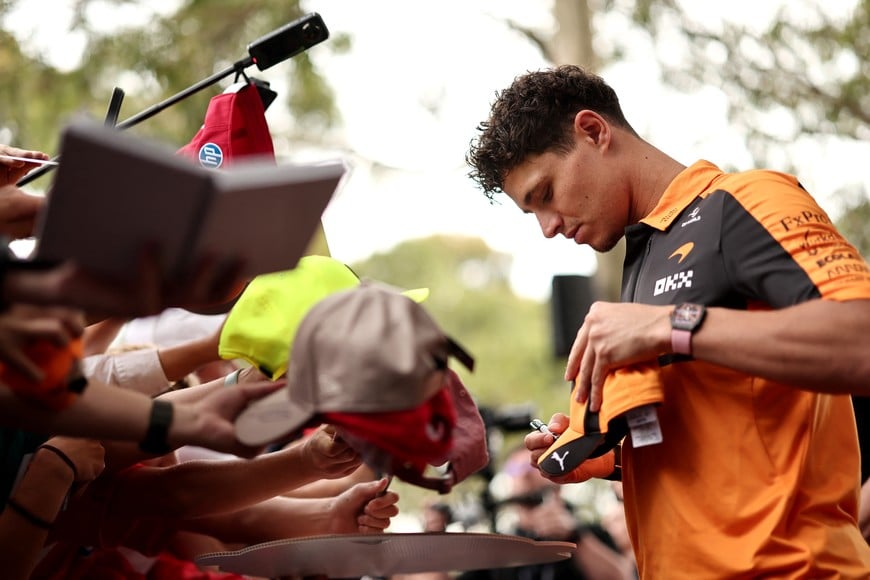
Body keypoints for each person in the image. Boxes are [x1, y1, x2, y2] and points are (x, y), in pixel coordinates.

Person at [466, 64, 870, 577]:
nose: (547, 228)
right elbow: (724, 431)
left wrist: (669, 325)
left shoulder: (746, 201)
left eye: (545, 193)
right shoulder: (641, 257)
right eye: (531, 213)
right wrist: (609, 459)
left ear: (593, 132)